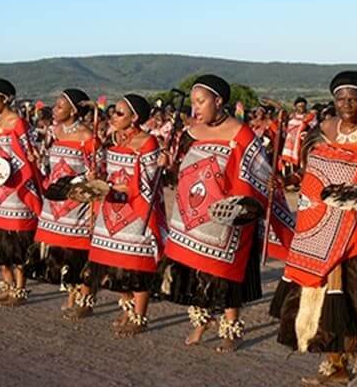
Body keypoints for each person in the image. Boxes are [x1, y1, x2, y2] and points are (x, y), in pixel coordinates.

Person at [270, 71, 357, 387]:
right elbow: (311, 174)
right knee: (329, 298)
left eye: (354, 99)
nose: (346, 105)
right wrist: (288, 181)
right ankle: (335, 364)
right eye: (341, 99)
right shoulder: (324, 129)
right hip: (323, 232)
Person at [160, 74, 294, 353]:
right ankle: (201, 320)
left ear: (218, 101)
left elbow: (259, 174)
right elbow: (181, 169)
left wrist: (269, 183)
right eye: (194, 102)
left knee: (225, 274)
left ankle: (231, 327)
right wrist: (168, 162)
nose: (195, 108)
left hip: (228, 217)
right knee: (194, 271)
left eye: (201, 102)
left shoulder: (242, 134)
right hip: (192, 217)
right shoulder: (192, 131)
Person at [76, 94, 167, 336]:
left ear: (135, 117)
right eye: (113, 112)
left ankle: (140, 317)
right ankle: (126, 309)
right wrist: (96, 175)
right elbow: (105, 170)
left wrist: (160, 165)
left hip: (136, 210)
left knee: (136, 266)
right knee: (114, 263)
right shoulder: (113, 138)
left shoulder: (148, 142)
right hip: (111, 208)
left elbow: (150, 183)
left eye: (119, 113)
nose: (113, 116)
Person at [0, 78, 42, 307]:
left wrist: (11, 167)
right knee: (0, 240)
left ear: (6, 99)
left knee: (16, 241)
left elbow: (28, 154)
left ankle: (20, 288)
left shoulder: (18, 123)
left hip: (16, 189)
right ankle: (6, 285)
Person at [34, 88, 99, 313]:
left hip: (78, 205)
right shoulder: (56, 132)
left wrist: (89, 178)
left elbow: (97, 170)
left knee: (78, 253)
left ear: (73, 110)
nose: (54, 109)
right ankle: (71, 295)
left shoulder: (87, 136)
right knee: (61, 253)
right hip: (56, 202)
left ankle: (85, 300)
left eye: (60, 106)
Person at [281, 96, 316, 180]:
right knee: (288, 162)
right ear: (295, 107)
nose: (301, 108)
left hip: (301, 142)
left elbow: (314, 128)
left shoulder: (309, 117)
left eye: (303, 106)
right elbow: (285, 127)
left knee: (301, 160)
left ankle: (299, 178)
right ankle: (288, 178)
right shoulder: (291, 116)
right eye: (299, 106)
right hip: (289, 143)